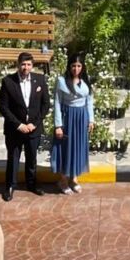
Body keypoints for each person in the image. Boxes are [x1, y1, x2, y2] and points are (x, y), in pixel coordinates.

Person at [0, 52, 50, 201]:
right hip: (15, 129)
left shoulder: (40, 80)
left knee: (31, 158)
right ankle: (10, 186)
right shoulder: (8, 82)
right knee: (13, 158)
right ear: (18, 65)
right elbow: (3, 107)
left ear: (32, 66)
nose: (25, 67)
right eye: (23, 64)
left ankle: (32, 184)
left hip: (33, 128)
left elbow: (45, 105)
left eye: (28, 64)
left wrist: (34, 123)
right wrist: (18, 124)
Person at [51, 53, 95, 195]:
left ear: (82, 67)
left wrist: (91, 120)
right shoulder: (62, 81)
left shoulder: (86, 81)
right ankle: (63, 180)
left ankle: (74, 179)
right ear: (69, 67)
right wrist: (58, 125)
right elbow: (57, 102)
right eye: (73, 66)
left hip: (81, 118)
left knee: (78, 147)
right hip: (67, 117)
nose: (76, 69)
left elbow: (89, 101)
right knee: (66, 148)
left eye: (79, 66)